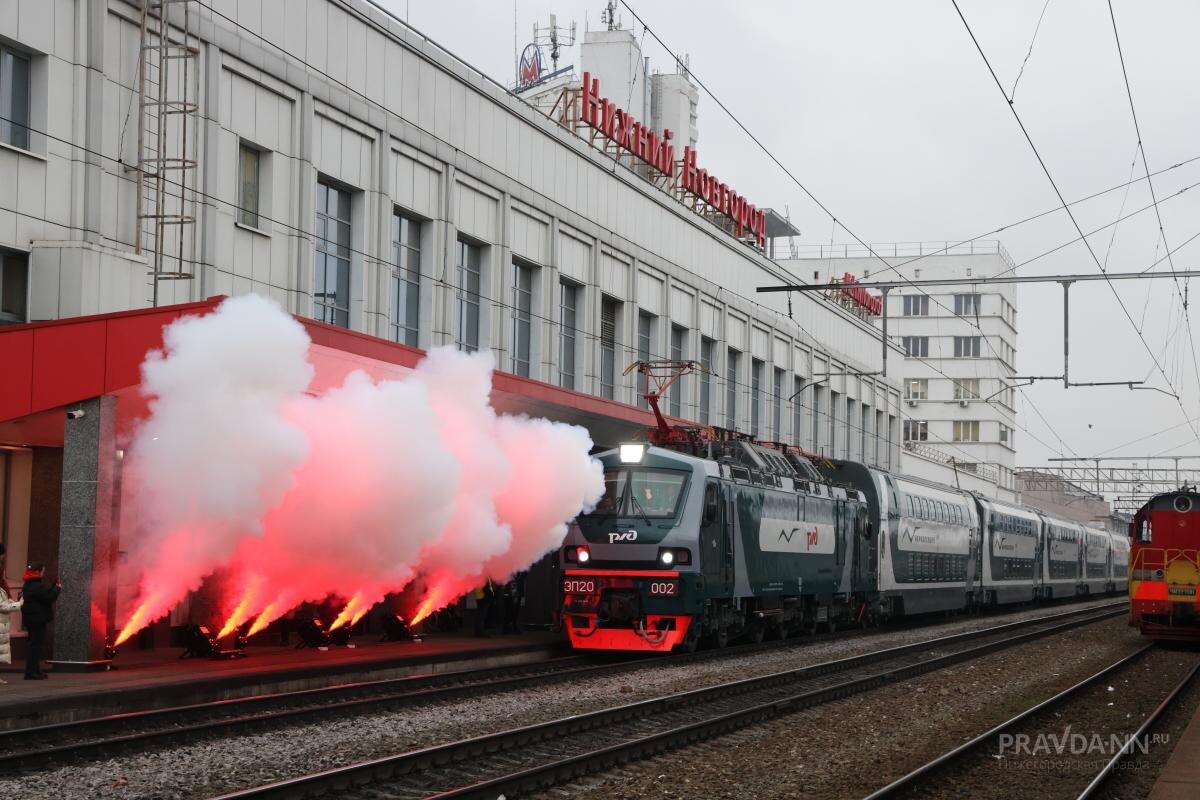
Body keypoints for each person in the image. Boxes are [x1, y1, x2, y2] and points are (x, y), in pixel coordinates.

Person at [21, 564, 59, 680]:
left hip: (31, 619)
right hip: (37, 620)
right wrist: (57, 588)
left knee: (34, 646)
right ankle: (32, 672)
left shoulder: (29, 584)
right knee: (35, 646)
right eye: (43, 571)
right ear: (38, 571)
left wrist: (53, 587)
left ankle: (35, 670)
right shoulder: (36, 585)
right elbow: (48, 598)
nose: (43, 573)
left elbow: (43, 595)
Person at [0, 586, 21, 684]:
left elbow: (6, 602)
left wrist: (15, 603)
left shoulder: (2, 588)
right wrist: (19, 604)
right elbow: (2, 606)